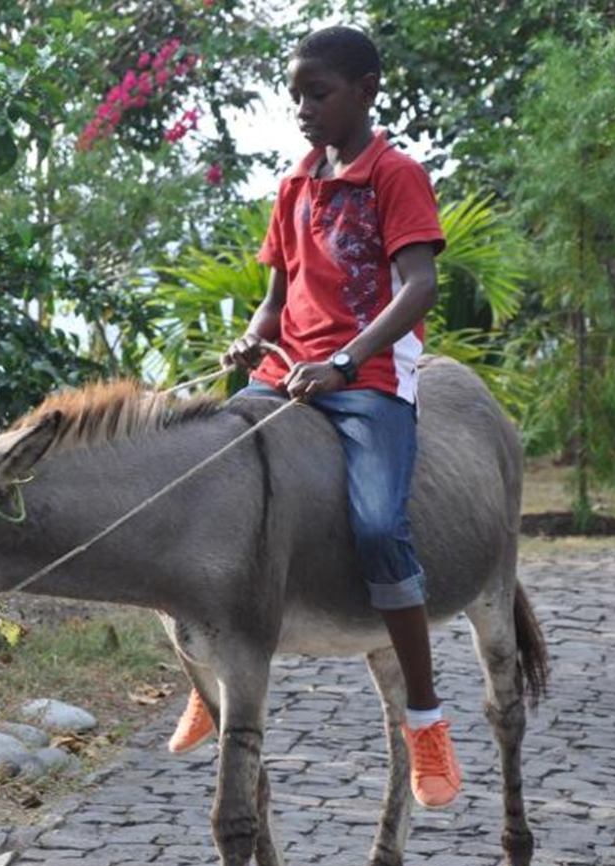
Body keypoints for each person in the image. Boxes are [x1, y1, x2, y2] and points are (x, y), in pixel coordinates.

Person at [166, 25, 461, 808]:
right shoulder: (296, 181)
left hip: (364, 383)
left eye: (317, 92)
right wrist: (253, 338)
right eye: (294, 93)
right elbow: (276, 296)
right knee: (199, 498)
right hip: (282, 376)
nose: (302, 107)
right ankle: (211, 682)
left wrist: (342, 359)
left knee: (376, 527)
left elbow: (420, 286)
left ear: (366, 90)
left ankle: (426, 718)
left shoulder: (396, 176)